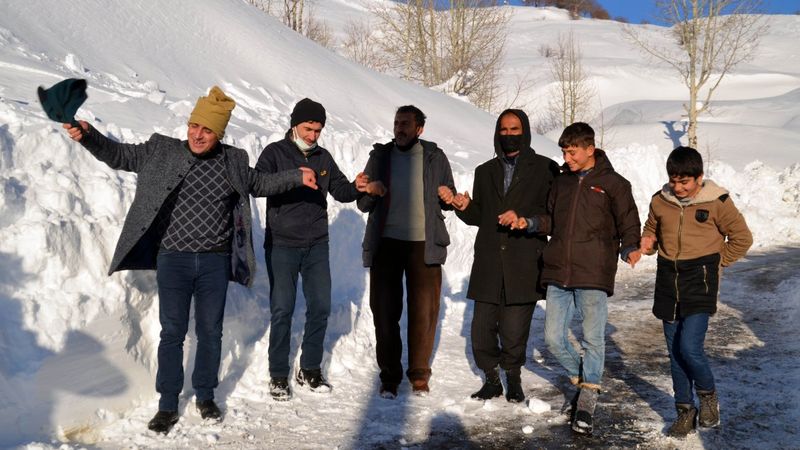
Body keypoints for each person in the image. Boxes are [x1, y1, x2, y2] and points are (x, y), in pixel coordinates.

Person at [62, 86, 317, 434]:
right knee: (172, 333)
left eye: (207, 130)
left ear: (219, 134)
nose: (198, 134)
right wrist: (89, 137)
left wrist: (295, 176)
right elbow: (120, 155)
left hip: (213, 261)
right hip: (173, 260)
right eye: (194, 126)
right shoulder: (161, 150)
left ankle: (206, 396)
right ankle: (167, 403)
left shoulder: (234, 160)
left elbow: (259, 183)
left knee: (210, 333)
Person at [519, 122, 641, 434]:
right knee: (553, 337)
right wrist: (529, 222)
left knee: (592, 338)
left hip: (594, 271)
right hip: (559, 269)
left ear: (590, 149)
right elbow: (550, 220)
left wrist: (630, 248)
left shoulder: (614, 184)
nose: (567, 157)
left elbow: (629, 221)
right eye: (564, 151)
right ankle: (586, 382)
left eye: (572, 152)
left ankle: (588, 396)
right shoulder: (561, 183)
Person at [255, 98, 377, 401]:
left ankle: (309, 368)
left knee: (320, 306)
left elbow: (340, 190)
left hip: (316, 244)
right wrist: (294, 177)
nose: (312, 135)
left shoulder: (323, 157)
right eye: (308, 128)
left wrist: (357, 187)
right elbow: (257, 184)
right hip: (282, 244)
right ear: (294, 124)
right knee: (282, 309)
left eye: (318, 130)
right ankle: (278, 375)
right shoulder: (275, 153)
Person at [445, 109, 559, 403]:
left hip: (524, 261)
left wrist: (525, 219)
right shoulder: (485, 171)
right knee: (481, 331)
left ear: (526, 131)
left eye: (514, 128)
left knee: (513, 330)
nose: (509, 134)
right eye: (504, 129)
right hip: (489, 262)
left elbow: (554, 215)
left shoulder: (546, 169)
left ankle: (513, 375)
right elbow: (479, 216)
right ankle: (492, 378)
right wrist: (463, 205)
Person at [640, 146, 752, 437]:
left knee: (689, 347)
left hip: (700, 280)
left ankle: (708, 396)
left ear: (699, 178)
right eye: (673, 181)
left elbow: (742, 238)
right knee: (674, 352)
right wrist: (648, 242)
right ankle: (684, 410)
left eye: (685, 182)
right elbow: (650, 229)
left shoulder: (717, 202)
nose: (678, 188)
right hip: (668, 280)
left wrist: (716, 264)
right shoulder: (659, 200)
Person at [358, 105, 455, 399]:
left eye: (406, 124)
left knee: (423, 313)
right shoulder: (380, 156)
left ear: (420, 129)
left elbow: (448, 195)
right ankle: (389, 376)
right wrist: (368, 190)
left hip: (424, 244)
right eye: (397, 123)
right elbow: (363, 203)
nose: (399, 128)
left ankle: (419, 375)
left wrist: (449, 197)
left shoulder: (435, 156)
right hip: (386, 243)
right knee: (385, 313)